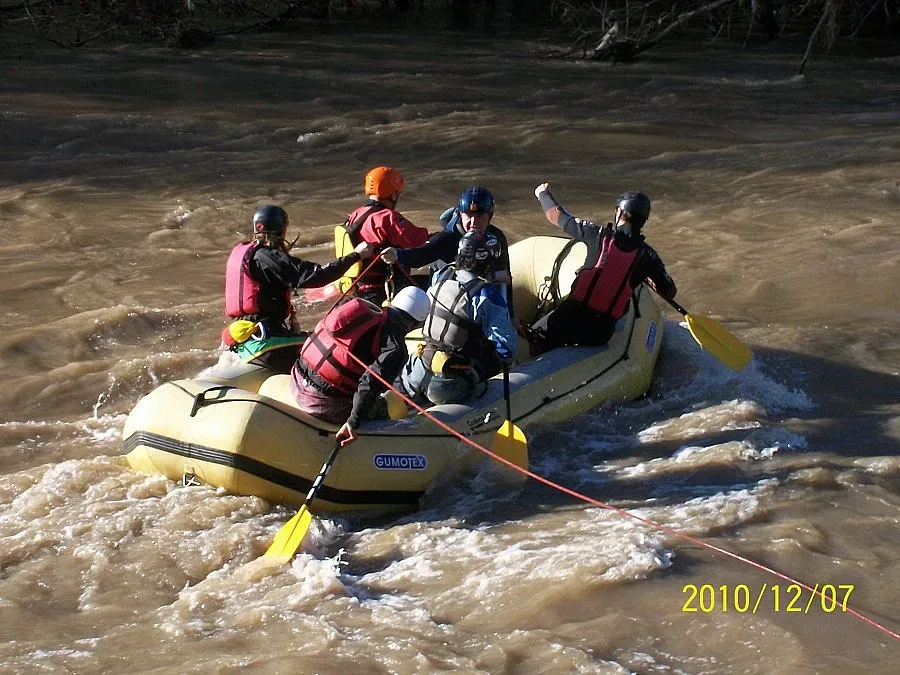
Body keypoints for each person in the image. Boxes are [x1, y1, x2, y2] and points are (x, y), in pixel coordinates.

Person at [223, 205, 373, 373]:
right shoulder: (267, 257)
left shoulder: (244, 253)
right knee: (332, 346)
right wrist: (356, 256)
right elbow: (316, 276)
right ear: (281, 229)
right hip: (266, 344)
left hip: (243, 340)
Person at [532, 183, 677, 350]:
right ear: (644, 220)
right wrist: (653, 280)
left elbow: (555, 215)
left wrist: (542, 193)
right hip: (599, 334)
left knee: (539, 331)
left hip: (565, 322)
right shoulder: (649, 256)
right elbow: (669, 291)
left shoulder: (598, 235)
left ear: (620, 212)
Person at [291, 284, 431, 446]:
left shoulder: (359, 309)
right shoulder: (396, 347)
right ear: (416, 323)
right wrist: (353, 422)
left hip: (296, 378)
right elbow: (370, 383)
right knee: (392, 403)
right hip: (322, 403)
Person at [401, 231, 518, 405]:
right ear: (486, 261)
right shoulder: (486, 294)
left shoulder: (440, 274)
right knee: (494, 358)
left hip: (418, 367)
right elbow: (506, 348)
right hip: (448, 382)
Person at [382, 186, 515, 314]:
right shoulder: (447, 237)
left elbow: (504, 277)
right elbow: (422, 254)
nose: (473, 222)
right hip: (447, 296)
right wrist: (398, 254)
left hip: (479, 290)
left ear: (490, 215)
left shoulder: (496, 238)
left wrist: (511, 315)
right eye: (468, 216)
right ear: (460, 214)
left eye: (479, 216)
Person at [339, 166, 430, 304]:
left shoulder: (355, 215)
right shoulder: (387, 218)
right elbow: (419, 241)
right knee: (435, 286)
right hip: (384, 290)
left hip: (358, 287)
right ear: (393, 195)